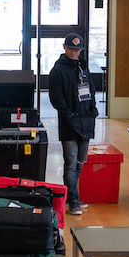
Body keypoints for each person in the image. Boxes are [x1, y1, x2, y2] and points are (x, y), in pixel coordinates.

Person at [48, 33, 99, 216]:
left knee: (80, 162)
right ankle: (73, 200)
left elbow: (91, 89)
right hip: (69, 122)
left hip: (86, 120)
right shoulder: (57, 71)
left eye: (77, 50)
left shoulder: (82, 67)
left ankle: (71, 195)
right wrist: (67, 114)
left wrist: (93, 109)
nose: (74, 52)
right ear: (64, 47)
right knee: (70, 162)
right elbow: (56, 97)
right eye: (71, 49)